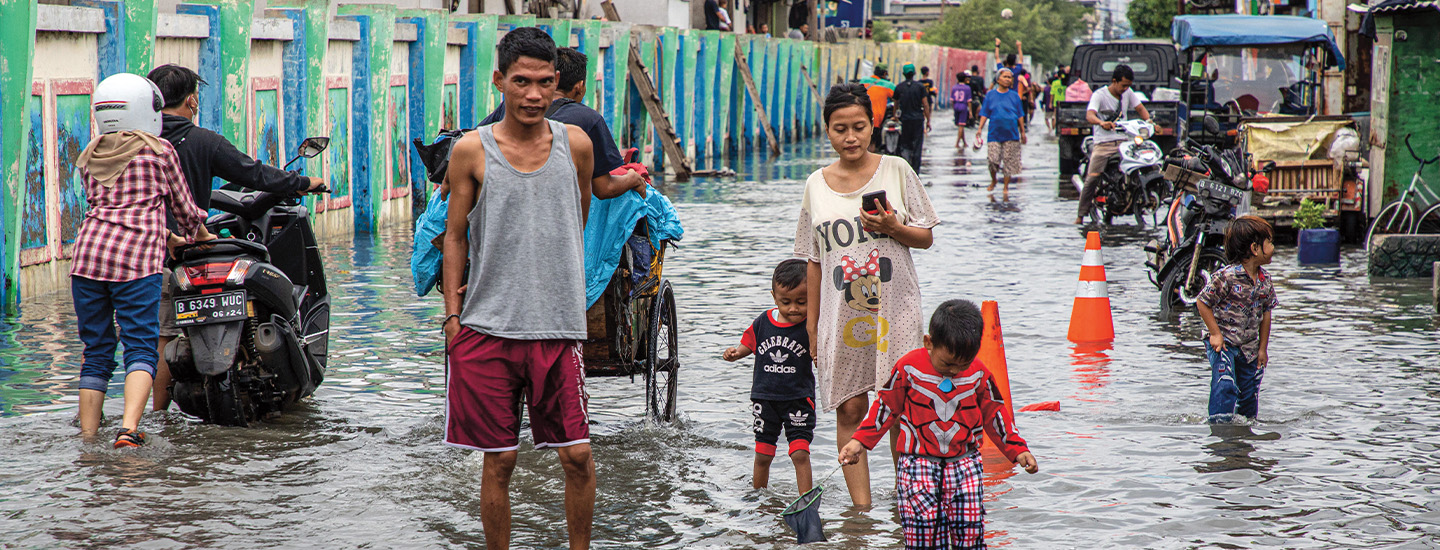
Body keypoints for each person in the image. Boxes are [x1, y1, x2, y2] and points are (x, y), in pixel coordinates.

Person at [441, 27, 597, 550]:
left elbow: (577, 216)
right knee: (500, 460)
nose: (533, 94)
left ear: (559, 85)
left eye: (545, 82)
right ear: (499, 81)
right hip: (486, 327)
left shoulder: (576, 145)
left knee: (577, 456)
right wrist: (452, 315)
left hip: (557, 326)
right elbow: (455, 237)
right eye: (521, 81)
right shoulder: (471, 151)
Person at [145, 64, 326, 412]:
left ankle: (154, 418)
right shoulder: (203, 142)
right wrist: (304, 182)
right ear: (192, 101)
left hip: (143, 258)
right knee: (165, 334)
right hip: (185, 247)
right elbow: (254, 173)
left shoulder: (138, 144)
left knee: (154, 339)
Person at [795, 83, 939, 506]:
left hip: (897, 310)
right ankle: (861, 514)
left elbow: (926, 237)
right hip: (841, 317)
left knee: (900, 409)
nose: (851, 137)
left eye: (859, 126)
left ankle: (904, 503)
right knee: (850, 409)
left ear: (873, 125)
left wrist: (894, 228)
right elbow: (814, 261)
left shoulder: (897, 170)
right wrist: (811, 326)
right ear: (827, 131)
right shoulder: (814, 185)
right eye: (840, 129)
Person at [70, 73, 215, 447]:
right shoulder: (159, 150)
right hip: (135, 263)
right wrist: (200, 235)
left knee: (97, 351)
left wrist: (166, 236)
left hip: (87, 260)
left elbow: (111, 209)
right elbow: (185, 209)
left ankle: (88, 439)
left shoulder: (91, 153)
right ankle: (128, 430)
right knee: (139, 346)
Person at [839, 299, 1039, 550]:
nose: (954, 371)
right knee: (923, 533)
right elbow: (886, 407)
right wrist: (860, 442)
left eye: (963, 364)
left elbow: (996, 414)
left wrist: (1018, 449)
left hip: (965, 463)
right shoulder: (909, 368)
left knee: (970, 531)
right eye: (947, 364)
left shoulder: (978, 374)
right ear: (929, 343)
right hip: (917, 464)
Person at [476, 47, 647, 200]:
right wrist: (633, 178)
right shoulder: (589, 120)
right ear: (579, 87)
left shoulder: (512, 107)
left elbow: (475, 139)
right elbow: (604, 189)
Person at [722, 259, 816, 494]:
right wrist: (736, 353)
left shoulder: (811, 326)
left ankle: (806, 501)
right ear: (774, 296)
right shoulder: (763, 322)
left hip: (798, 399)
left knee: (800, 453)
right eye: (786, 302)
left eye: (801, 302)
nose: (793, 308)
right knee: (763, 454)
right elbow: (748, 344)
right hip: (764, 400)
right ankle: (758, 496)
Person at [1196, 216, 1277, 424]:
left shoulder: (1265, 281)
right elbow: (1202, 302)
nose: (1273, 247)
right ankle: (1219, 430)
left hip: (1249, 348)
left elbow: (1266, 313)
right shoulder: (1226, 277)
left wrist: (1262, 348)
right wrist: (1215, 334)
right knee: (1225, 385)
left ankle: (1243, 435)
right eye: (1269, 242)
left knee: (1249, 394)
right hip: (1223, 344)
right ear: (1255, 248)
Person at [1074, 64, 1150, 225]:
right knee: (1092, 178)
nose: (1125, 89)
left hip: (1125, 142)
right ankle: (1080, 215)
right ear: (1114, 81)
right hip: (1104, 144)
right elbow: (1090, 115)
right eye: (1123, 85)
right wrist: (1101, 123)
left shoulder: (1128, 93)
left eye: (1128, 86)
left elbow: (1140, 108)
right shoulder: (1099, 95)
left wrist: (1150, 122)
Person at [973, 68, 1026, 193]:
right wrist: (980, 128)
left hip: (1011, 133)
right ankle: (994, 180)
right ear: (998, 79)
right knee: (992, 160)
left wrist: (1022, 132)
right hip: (994, 134)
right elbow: (985, 113)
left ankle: (1006, 187)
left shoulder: (1014, 96)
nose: (1008, 80)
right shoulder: (990, 95)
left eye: (1010, 77)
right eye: (1005, 77)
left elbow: (1020, 115)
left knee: (1008, 162)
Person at [893, 64, 932, 172]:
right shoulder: (920, 87)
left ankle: (906, 170)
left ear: (903, 74)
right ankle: (915, 172)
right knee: (917, 146)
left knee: (905, 145)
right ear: (914, 73)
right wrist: (928, 120)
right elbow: (925, 104)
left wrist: (895, 117)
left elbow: (896, 105)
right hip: (918, 120)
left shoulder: (899, 87)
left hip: (904, 121)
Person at [859, 64, 895, 152]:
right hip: (876, 119)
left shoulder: (864, 81)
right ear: (884, 74)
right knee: (872, 143)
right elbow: (897, 96)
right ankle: (871, 163)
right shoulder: (888, 85)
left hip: (861, 117)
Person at [949, 73, 972, 148]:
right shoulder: (967, 88)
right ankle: (957, 143)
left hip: (956, 105)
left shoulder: (954, 87)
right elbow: (969, 101)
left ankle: (964, 142)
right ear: (965, 79)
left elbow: (952, 100)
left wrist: (953, 108)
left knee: (960, 125)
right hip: (963, 106)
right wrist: (971, 112)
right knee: (961, 126)